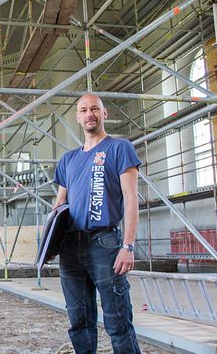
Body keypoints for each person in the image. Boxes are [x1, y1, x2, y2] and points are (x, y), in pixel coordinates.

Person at [53, 94, 142, 354]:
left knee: (117, 319)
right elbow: (59, 206)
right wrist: (51, 244)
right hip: (70, 247)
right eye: (84, 109)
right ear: (78, 117)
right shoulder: (67, 160)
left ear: (105, 113)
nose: (89, 113)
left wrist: (128, 245)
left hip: (104, 243)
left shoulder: (119, 148)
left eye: (94, 108)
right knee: (78, 320)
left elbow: (130, 199)